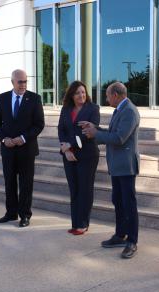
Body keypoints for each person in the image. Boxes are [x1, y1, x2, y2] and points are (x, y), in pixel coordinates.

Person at [80, 82, 140, 259]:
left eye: (107, 95)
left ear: (115, 94)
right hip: (117, 165)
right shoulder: (120, 109)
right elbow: (113, 132)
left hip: (126, 166)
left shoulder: (129, 111)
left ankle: (132, 241)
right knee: (118, 201)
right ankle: (120, 235)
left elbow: (120, 138)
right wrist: (94, 128)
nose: (106, 99)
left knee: (128, 204)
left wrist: (95, 134)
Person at [0, 69, 45, 227]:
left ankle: (25, 215)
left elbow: (39, 124)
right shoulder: (2, 98)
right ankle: (11, 213)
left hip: (26, 149)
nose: (23, 85)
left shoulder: (34, 99)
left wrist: (22, 138)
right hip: (7, 149)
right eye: (20, 82)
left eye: (25, 81)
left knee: (26, 183)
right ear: (12, 82)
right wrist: (3, 139)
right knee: (9, 182)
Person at [58, 81, 100, 235]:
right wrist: (65, 149)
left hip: (87, 155)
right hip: (68, 156)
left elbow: (89, 132)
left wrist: (69, 146)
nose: (81, 95)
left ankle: (83, 223)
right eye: (77, 93)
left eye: (83, 92)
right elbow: (61, 129)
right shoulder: (66, 109)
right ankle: (75, 223)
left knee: (85, 189)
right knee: (74, 189)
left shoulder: (93, 109)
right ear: (71, 95)